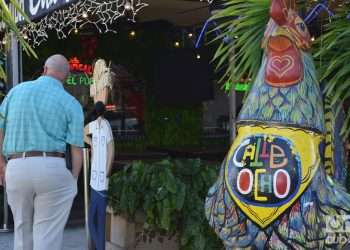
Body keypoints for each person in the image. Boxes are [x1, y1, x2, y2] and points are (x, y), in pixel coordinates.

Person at [0, 54, 84, 250]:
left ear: (45, 69)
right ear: (65, 76)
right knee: (47, 236)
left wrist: (1, 163)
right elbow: (76, 149)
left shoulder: (16, 92)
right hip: (52, 166)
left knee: (21, 230)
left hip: (16, 165)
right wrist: (73, 179)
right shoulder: (71, 103)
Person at [84, 101, 114, 250]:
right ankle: (100, 247)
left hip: (97, 179)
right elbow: (112, 151)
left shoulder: (94, 125)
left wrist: (91, 143)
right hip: (100, 179)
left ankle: (99, 247)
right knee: (98, 220)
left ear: (95, 112)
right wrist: (108, 171)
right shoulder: (105, 125)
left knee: (94, 220)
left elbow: (82, 133)